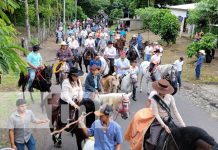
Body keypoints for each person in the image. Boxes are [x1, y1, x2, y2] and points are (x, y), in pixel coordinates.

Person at [145, 79, 186, 149]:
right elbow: (156, 114)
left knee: (181, 137)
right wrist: (164, 126)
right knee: (153, 142)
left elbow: (175, 111)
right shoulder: (154, 98)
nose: (163, 93)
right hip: (158, 122)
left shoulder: (170, 97)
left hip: (169, 120)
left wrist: (182, 123)